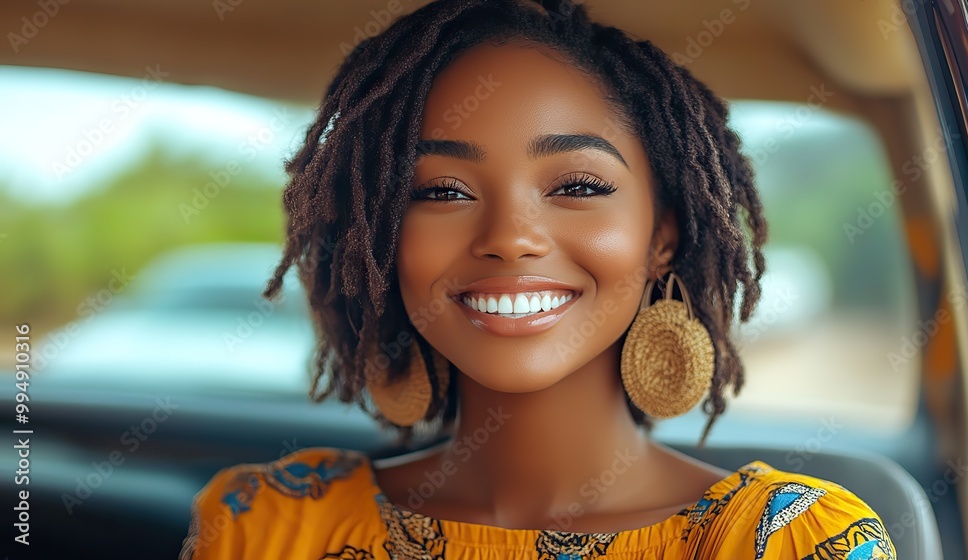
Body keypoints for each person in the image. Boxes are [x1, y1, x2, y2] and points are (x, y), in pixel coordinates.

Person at [180, 0, 897, 558]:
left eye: (578, 186)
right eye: (443, 191)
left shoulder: (791, 544)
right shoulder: (261, 528)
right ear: (385, 243)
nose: (509, 238)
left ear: (663, 240)